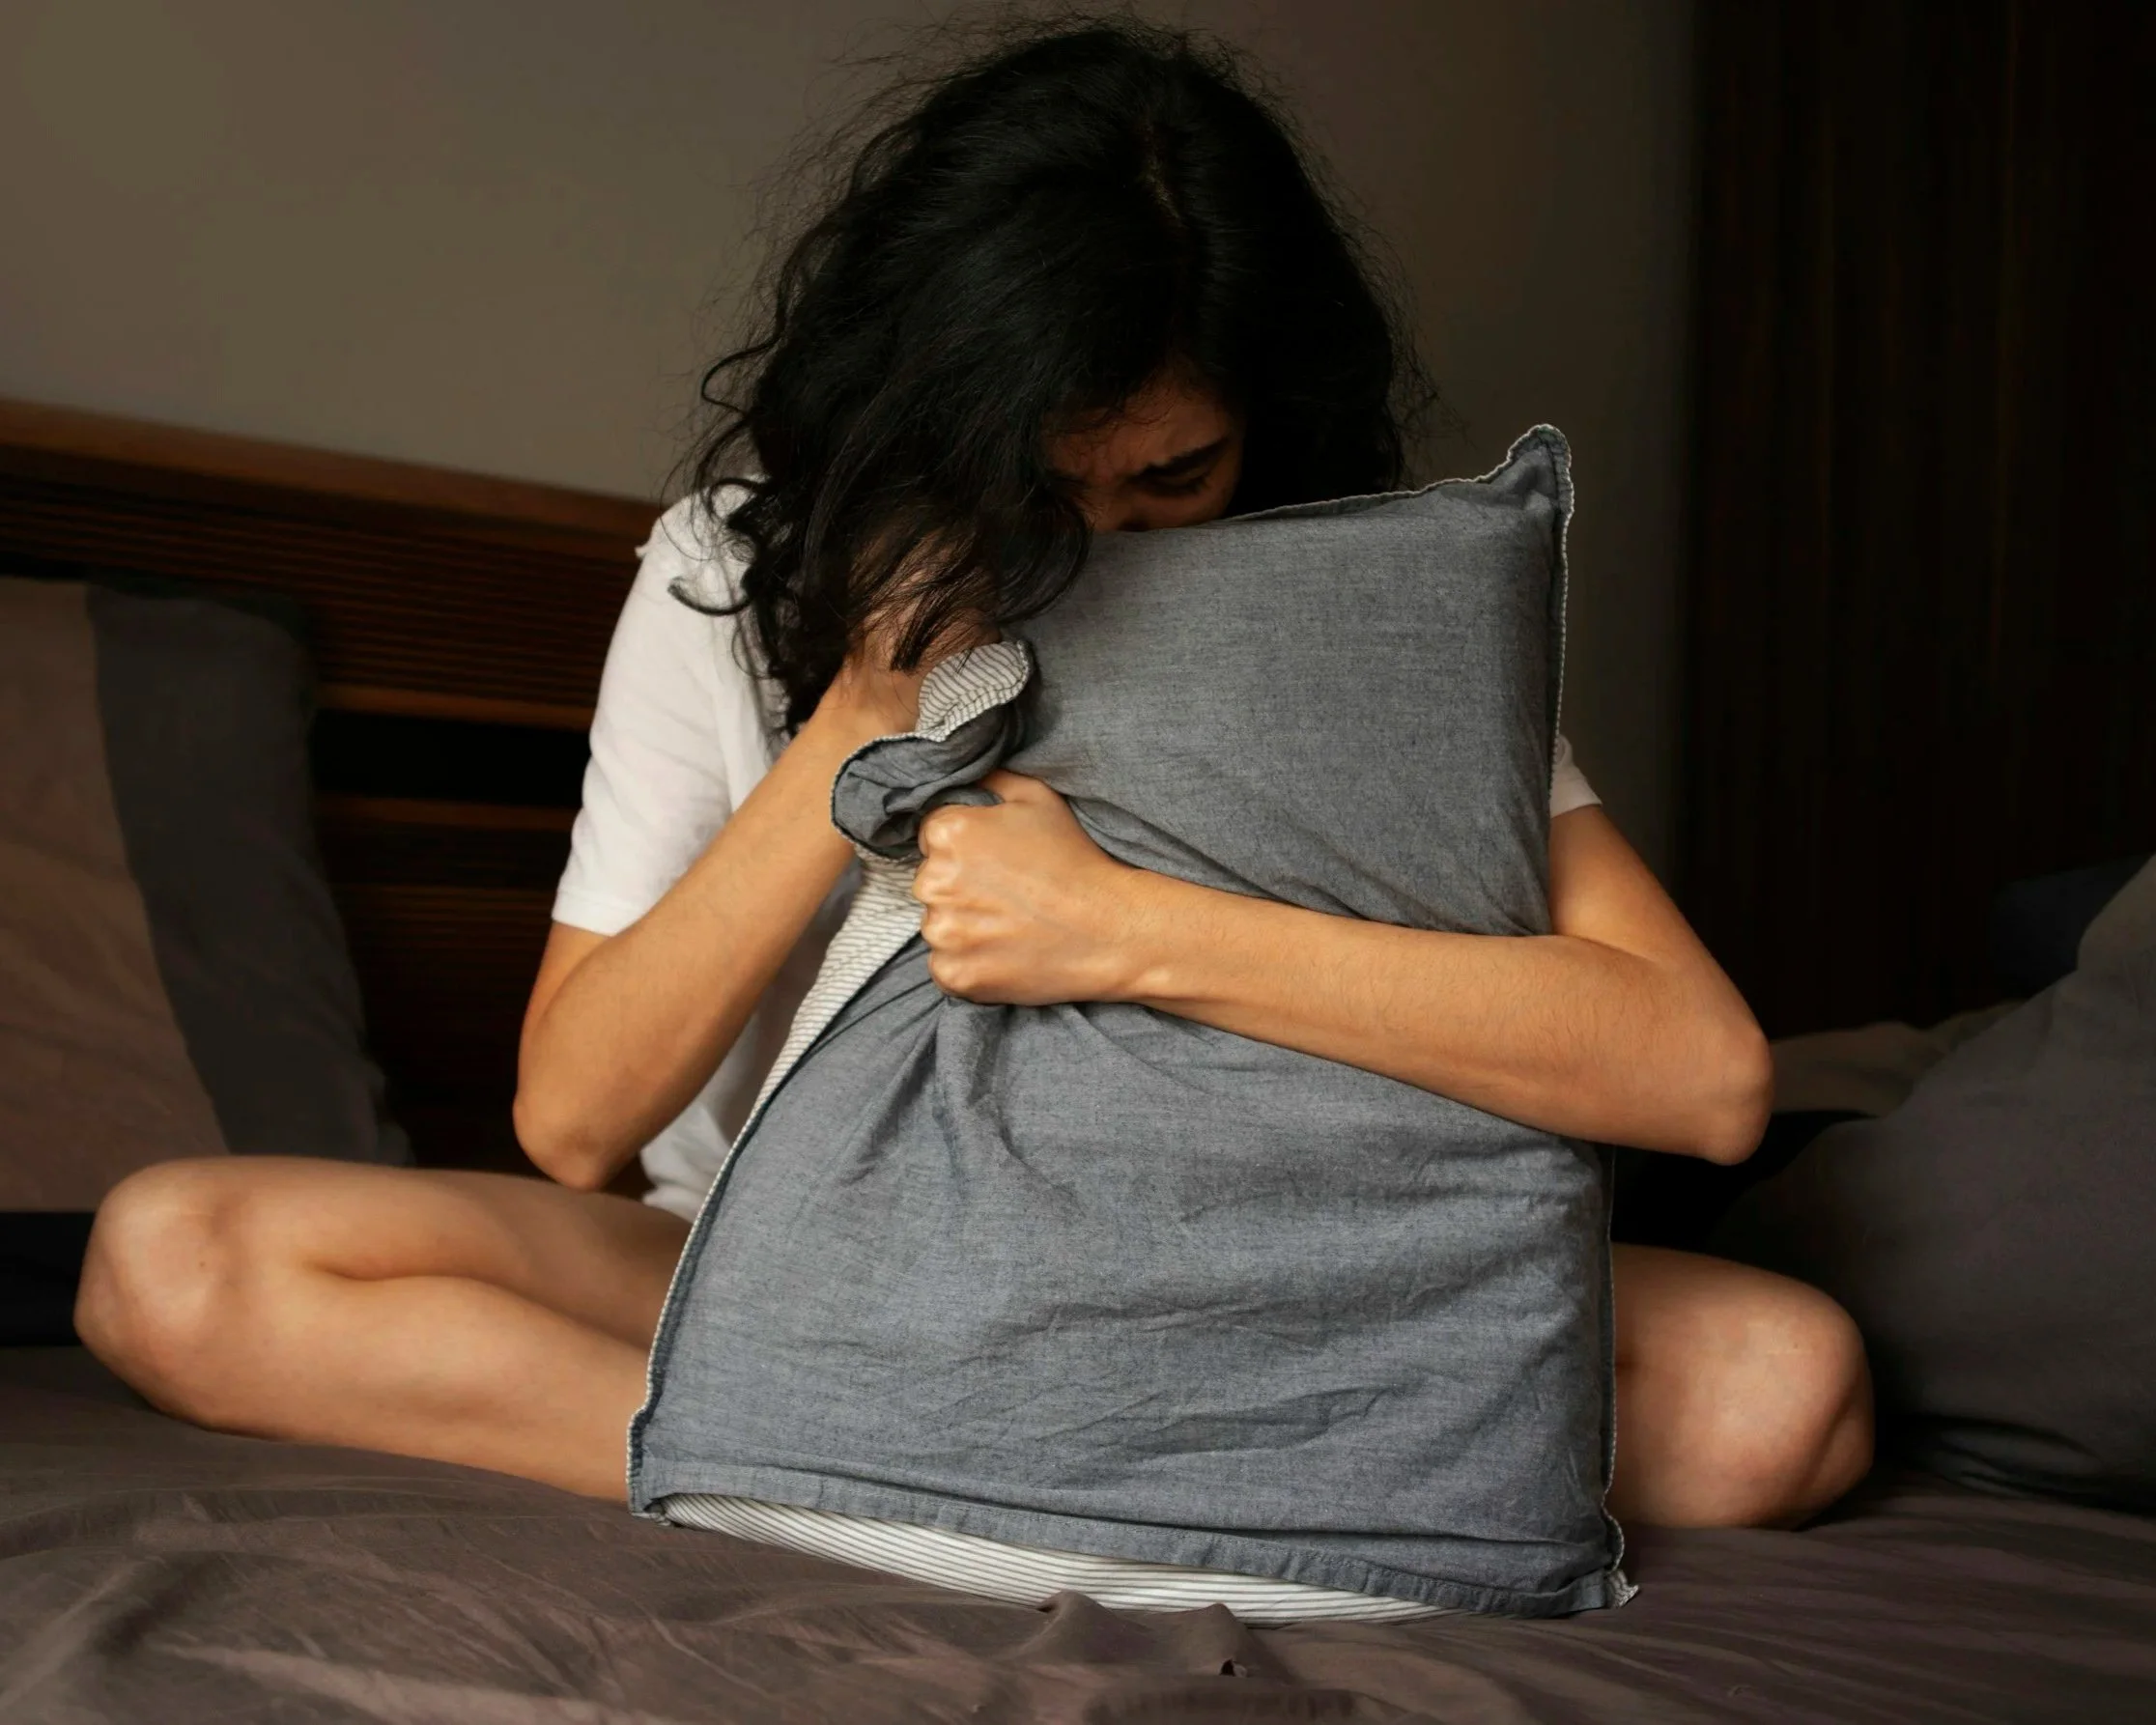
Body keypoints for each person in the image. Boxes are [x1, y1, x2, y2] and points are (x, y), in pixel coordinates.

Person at [76, 18, 1870, 1549]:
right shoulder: (731, 574)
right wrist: (857, 715)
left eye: (1172, 476)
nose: (1099, 541)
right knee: (173, 1261)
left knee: (1784, 1392)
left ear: (1267, 414)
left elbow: (1702, 1078)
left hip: (1246, 1280)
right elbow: (570, 1122)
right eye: (1039, 479)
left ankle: (882, 1474)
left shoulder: (1373, 616)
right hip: (790, 1273)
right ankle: (942, 1462)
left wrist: (1131, 933)